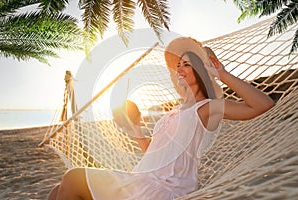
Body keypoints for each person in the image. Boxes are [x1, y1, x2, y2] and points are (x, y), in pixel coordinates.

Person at [47, 37, 275, 200]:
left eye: (187, 64)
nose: (179, 69)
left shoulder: (206, 109)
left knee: (73, 178)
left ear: (201, 71)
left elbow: (263, 105)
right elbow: (155, 155)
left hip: (165, 187)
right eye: (178, 65)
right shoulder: (175, 112)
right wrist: (134, 127)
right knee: (56, 190)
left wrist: (221, 73)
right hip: (141, 178)